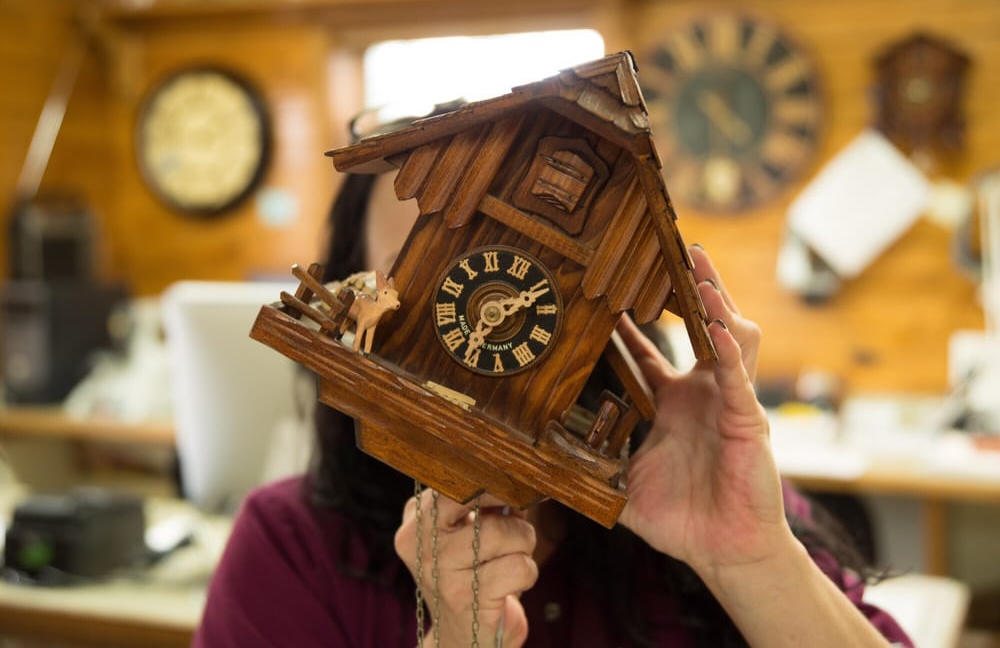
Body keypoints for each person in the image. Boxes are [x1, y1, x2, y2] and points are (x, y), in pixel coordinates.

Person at [194, 160, 913, 647]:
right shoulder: (291, 546)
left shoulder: (710, 484)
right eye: (411, 273)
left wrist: (748, 558)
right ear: (356, 301)